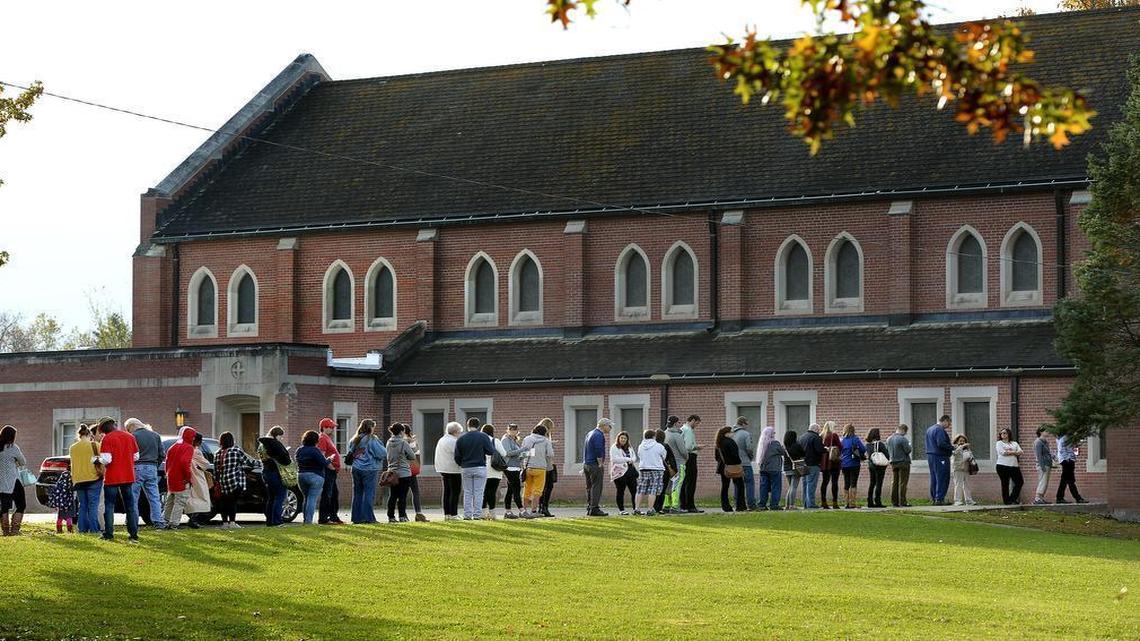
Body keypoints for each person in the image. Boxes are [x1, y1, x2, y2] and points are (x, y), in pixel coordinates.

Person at [96, 417, 140, 542]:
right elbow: (136, 456)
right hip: (128, 475)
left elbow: (107, 460)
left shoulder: (107, 439)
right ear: (114, 424)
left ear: (104, 429)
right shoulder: (129, 437)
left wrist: (97, 460)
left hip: (112, 477)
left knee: (109, 506)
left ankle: (109, 534)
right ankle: (133, 535)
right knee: (130, 506)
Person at [126, 418, 165, 529]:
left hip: (136, 467)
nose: (129, 431)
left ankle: (132, 521)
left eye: (128, 429)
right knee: (154, 496)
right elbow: (162, 454)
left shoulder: (132, 437)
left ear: (132, 426)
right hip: (152, 467)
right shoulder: (155, 435)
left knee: (134, 496)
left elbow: (129, 454)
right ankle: (158, 521)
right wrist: (155, 465)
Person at [347, 419, 387, 524]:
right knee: (369, 493)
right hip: (369, 469)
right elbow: (382, 453)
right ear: (370, 428)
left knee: (357, 493)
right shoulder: (372, 439)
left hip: (356, 468)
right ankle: (368, 517)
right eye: (373, 427)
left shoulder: (354, 439)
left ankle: (356, 518)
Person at [214, 431, 257, 529]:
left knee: (224, 502)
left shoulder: (217, 453)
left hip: (223, 482)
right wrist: (259, 463)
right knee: (232, 502)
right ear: (232, 440)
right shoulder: (236, 451)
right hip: (235, 481)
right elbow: (249, 462)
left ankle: (225, 523)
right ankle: (232, 523)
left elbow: (216, 470)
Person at [455, 419, 496, 520]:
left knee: (468, 492)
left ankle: (467, 515)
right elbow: (491, 451)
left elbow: (457, 456)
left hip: (466, 467)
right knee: (479, 492)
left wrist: (462, 463)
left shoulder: (461, 438)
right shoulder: (483, 436)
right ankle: (477, 515)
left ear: (467, 425)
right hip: (480, 467)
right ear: (478, 426)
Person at [69, 424, 103, 535]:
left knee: (82, 505)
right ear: (89, 434)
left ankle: (82, 529)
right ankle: (94, 529)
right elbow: (101, 461)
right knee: (93, 505)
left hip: (78, 480)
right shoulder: (96, 445)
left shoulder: (72, 448)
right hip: (93, 478)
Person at [258, 425, 293, 527]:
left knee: (271, 497)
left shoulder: (262, 444)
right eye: (280, 436)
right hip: (276, 472)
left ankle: (269, 521)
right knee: (280, 496)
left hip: (266, 471)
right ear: (276, 435)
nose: (281, 438)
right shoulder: (275, 444)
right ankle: (277, 521)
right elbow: (286, 460)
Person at [163, 426, 196, 530]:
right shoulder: (188, 447)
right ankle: (174, 523)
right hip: (181, 479)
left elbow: (167, 463)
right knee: (180, 502)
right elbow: (184, 462)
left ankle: (165, 520)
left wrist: (167, 474)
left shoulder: (173, 447)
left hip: (171, 478)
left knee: (170, 501)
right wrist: (188, 478)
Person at [520, 422, 554, 519]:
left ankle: (524, 511)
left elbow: (522, 453)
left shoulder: (527, 439)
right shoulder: (546, 441)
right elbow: (550, 454)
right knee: (537, 491)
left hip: (528, 468)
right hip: (540, 468)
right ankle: (534, 511)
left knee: (527, 489)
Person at [295, 430, 329, 525]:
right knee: (312, 499)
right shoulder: (315, 450)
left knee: (306, 498)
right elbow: (324, 463)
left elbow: (296, 460)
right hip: (316, 476)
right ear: (316, 441)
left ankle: (305, 520)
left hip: (301, 475)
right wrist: (330, 459)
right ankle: (308, 521)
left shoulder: (299, 450)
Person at [0, 425, 28, 536]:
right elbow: (23, 462)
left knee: (4, 506)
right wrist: (15, 462)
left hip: (0, 482)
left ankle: (5, 530)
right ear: (12, 436)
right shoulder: (13, 448)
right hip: (13, 480)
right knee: (21, 505)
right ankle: (15, 529)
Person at [386, 423, 416, 523]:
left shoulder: (389, 442)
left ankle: (391, 516)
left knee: (393, 496)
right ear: (401, 431)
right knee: (402, 496)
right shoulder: (403, 443)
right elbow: (412, 456)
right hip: (403, 473)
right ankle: (402, 516)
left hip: (392, 473)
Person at [316, 417, 344, 525]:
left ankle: (333, 516)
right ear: (324, 428)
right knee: (327, 494)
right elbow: (321, 455)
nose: (333, 429)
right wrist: (330, 466)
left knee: (333, 494)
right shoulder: (322, 438)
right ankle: (323, 518)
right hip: (328, 471)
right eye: (331, 427)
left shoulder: (327, 438)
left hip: (332, 471)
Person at [583, 417, 612, 516]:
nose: (610, 428)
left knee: (589, 486)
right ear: (604, 426)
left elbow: (586, 449)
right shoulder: (599, 435)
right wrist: (600, 462)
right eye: (609, 426)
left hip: (587, 463)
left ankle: (590, 506)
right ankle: (594, 508)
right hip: (594, 464)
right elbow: (598, 449)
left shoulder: (590, 433)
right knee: (597, 486)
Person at [634, 429, 667, 516]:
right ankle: (650, 509)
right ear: (654, 436)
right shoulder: (658, 446)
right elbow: (664, 456)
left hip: (643, 468)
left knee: (640, 489)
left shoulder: (641, 446)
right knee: (653, 489)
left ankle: (637, 509)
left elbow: (639, 455)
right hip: (656, 469)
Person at [435, 422, 463, 520]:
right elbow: (458, 455)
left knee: (447, 492)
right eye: (459, 431)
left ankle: (447, 514)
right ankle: (453, 514)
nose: (460, 434)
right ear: (455, 432)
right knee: (455, 491)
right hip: (453, 469)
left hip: (443, 468)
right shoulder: (453, 441)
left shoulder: (442, 439)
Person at [480, 424, 508, 520]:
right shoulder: (495, 441)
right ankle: (492, 513)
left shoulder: (480, 441)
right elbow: (504, 453)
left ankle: (483, 513)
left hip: (482, 469)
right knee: (492, 492)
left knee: (483, 492)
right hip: (494, 471)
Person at [715, 426, 745, 512]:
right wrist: (739, 462)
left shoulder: (718, 443)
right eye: (731, 432)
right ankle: (740, 505)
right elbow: (735, 455)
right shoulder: (730, 442)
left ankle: (725, 506)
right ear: (727, 433)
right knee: (740, 486)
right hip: (734, 467)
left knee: (725, 487)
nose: (733, 434)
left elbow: (716, 457)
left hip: (722, 468)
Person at [756, 426, 787, 510]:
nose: (774, 434)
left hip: (763, 468)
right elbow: (783, 452)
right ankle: (774, 504)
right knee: (776, 487)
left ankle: (762, 504)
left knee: (763, 487)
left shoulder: (761, 444)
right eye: (773, 433)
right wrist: (783, 447)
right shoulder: (775, 443)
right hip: (774, 469)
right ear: (771, 434)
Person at [925, 415, 953, 505]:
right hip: (940, 456)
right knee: (942, 477)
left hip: (931, 455)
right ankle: (940, 499)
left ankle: (934, 498)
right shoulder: (939, 430)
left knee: (934, 477)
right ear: (945, 420)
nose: (949, 426)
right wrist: (952, 448)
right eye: (949, 423)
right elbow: (941, 443)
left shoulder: (929, 429)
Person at [730, 417, 757, 510]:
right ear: (743, 424)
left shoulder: (732, 434)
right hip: (745, 462)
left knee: (737, 484)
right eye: (747, 424)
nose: (747, 426)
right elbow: (749, 448)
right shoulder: (746, 434)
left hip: (735, 463)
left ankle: (738, 503)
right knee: (749, 483)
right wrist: (750, 457)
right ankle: (751, 504)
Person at [663, 416, 688, 514]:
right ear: (675, 424)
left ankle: (666, 505)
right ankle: (675, 506)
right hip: (679, 463)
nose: (680, 425)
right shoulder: (677, 436)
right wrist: (686, 457)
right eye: (679, 423)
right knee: (677, 484)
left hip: (668, 465)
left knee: (668, 484)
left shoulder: (665, 434)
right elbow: (683, 450)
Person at [610, 430, 639, 515]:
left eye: (625, 438)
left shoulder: (629, 447)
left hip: (630, 471)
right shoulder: (614, 447)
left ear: (627, 439)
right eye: (621, 438)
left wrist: (632, 460)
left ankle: (635, 509)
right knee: (620, 491)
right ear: (618, 438)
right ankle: (621, 510)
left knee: (634, 491)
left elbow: (634, 457)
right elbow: (615, 459)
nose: (623, 440)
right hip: (620, 472)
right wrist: (627, 459)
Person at [186, 433, 212, 526]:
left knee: (191, 498)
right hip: (197, 477)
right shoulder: (196, 451)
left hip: (188, 476)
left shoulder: (186, 449)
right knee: (200, 497)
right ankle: (194, 519)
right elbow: (206, 464)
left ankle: (192, 518)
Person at [797, 423, 825, 509]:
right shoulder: (816, 437)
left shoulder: (801, 437)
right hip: (813, 464)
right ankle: (811, 504)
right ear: (816, 429)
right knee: (811, 484)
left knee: (805, 484)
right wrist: (826, 449)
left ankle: (805, 503)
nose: (819, 432)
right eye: (819, 430)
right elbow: (819, 450)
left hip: (802, 463)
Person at [679, 414, 703, 513]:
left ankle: (683, 504)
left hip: (683, 458)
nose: (697, 425)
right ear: (693, 420)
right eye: (697, 423)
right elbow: (688, 446)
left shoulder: (682, 429)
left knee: (684, 481)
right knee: (691, 482)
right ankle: (691, 505)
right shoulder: (688, 430)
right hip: (690, 457)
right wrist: (697, 447)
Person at [501, 423, 525, 519]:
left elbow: (517, 455)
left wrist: (524, 454)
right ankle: (522, 511)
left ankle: (508, 512)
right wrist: (522, 450)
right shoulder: (506, 439)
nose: (513, 431)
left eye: (515, 429)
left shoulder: (514, 440)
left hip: (516, 467)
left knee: (510, 490)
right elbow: (508, 453)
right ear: (507, 430)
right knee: (516, 488)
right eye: (511, 429)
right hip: (509, 467)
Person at [995, 428, 1024, 506]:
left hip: (1014, 466)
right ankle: (1007, 501)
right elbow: (1003, 452)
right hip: (1002, 466)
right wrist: (1015, 452)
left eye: (1005, 433)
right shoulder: (999, 443)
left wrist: (1011, 452)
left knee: (1019, 482)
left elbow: (1021, 452)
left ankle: (1012, 499)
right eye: (1001, 433)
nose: (1003, 435)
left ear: (1009, 434)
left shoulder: (1014, 443)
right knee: (1005, 483)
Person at [536, 417, 558, 518]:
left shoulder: (534, 438)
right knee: (548, 487)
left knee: (542, 487)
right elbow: (550, 454)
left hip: (539, 465)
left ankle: (540, 508)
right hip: (547, 466)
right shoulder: (545, 439)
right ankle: (544, 508)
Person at [886, 424, 912, 507]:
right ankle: (903, 501)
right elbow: (908, 450)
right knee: (903, 483)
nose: (905, 434)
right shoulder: (903, 439)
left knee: (894, 482)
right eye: (905, 432)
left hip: (893, 462)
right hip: (903, 462)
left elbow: (887, 450)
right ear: (903, 430)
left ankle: (894, 502)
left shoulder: (889, 439)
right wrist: (910, 445)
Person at [1055, 434, 1087, 504]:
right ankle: (1077, 498)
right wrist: (1068, 459)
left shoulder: (1063, 437)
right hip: (1067, 461)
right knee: (1070, 480)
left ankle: (1059, 497)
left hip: (1067, 460)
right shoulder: (1064, 437)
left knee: (1064, 480)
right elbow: (1061, 449)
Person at [406, 430, 428, 522]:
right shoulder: (409, 441)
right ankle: (418, 513)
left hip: (402, 470)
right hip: (411, 470)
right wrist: (413, 442)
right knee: (415, 492)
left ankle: (401, 514)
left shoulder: (395, 440)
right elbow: (416, 454)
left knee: (401, 493)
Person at [653, 429, 677, 514]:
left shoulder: (652, 446)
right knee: (662, 490)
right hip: (664, 470)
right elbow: (671, 458)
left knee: (654, 489)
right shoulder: (665, 446)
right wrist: (674, 469)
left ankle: (653, 506)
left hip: (654, 469)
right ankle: (659, 507)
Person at [819, 421, 842, 509]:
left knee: (824, 482)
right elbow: (840, 447)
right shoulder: (834, 435)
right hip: (833, 461)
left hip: (824, 462)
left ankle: (823, 502)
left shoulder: (821, 436)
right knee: (834, 482)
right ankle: (835, 503)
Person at [864, 428, 888, 508]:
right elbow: (886, 454)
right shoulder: (880, 444)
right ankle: (878, 501)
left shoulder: (867, 445)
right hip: (879, 466)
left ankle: (869, 501)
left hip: (871, 465)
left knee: (872, 483)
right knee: (879, 483)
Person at [49, 466, 77, 533]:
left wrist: (56, 504)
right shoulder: (69, 484)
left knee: (60, 518)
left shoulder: (59, 485)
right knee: (69, 517)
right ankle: (70, 530)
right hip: (69, 504)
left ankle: (59, 530)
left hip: (60, 505)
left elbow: (55, 494)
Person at [950, 434, 976, 506]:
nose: (962, 442)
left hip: (966, 469)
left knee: (967, 485)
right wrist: (961, 447)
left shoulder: (967, 449)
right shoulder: (955, 448)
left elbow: (970, 457)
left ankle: (969, 500)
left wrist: (972, 461)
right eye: (960, 441)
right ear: (957, 441)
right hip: (958, 469)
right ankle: (957, 501)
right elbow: (954, 454)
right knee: (958, 484)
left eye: (964, 441)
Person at [782, 430, 805, 510]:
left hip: (786, 468)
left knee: (790, 487)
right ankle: (792, 505)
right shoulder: (796, 445)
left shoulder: (784, 447)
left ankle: (787, 505)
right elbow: (803, 454)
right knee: (794, 487)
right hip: (795, 467)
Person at [1032, 427, 1054, 505]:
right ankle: (1037, 498)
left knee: (1045, 481)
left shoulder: (1045, 442)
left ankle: (1041, 498)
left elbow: (1048, 453)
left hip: (1047, 463)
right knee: (1042, 481)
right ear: (1041, 432)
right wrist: (1042, 466)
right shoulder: (1038, 442)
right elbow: (1039, 455)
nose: (1048, 432)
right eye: (1046, 431)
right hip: (1043, 464)